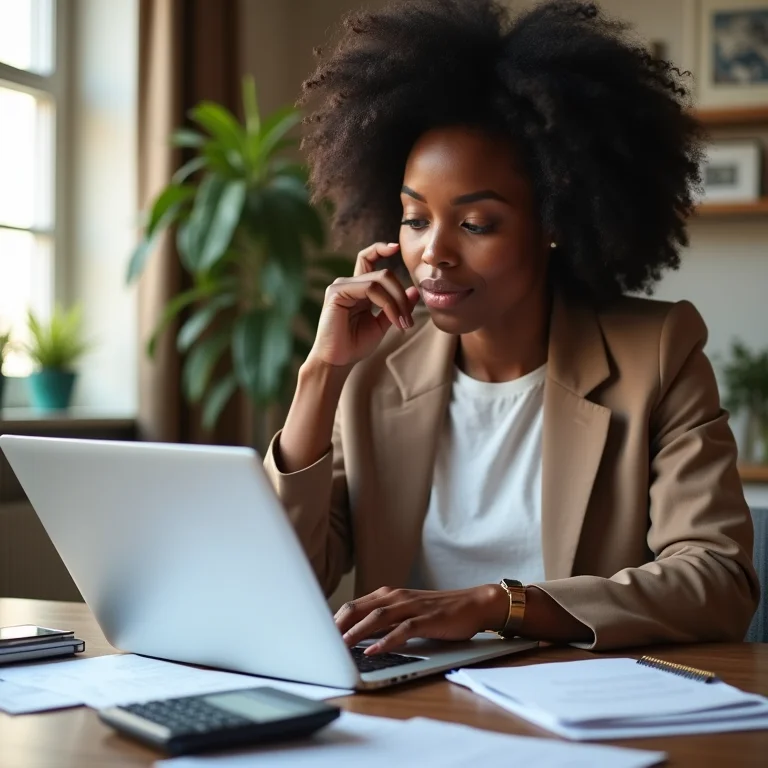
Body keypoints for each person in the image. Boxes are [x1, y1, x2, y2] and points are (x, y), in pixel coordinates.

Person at [264, 0, 759, 654]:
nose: (434, 252)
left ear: (553, 223)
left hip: (581, 715)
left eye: (475, 224)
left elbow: (717, 581)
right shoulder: (374, 367)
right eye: (415, 219)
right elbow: (285, 579)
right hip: (411, 706)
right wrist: (321, 372)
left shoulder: (656, 356)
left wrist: (496, 606)